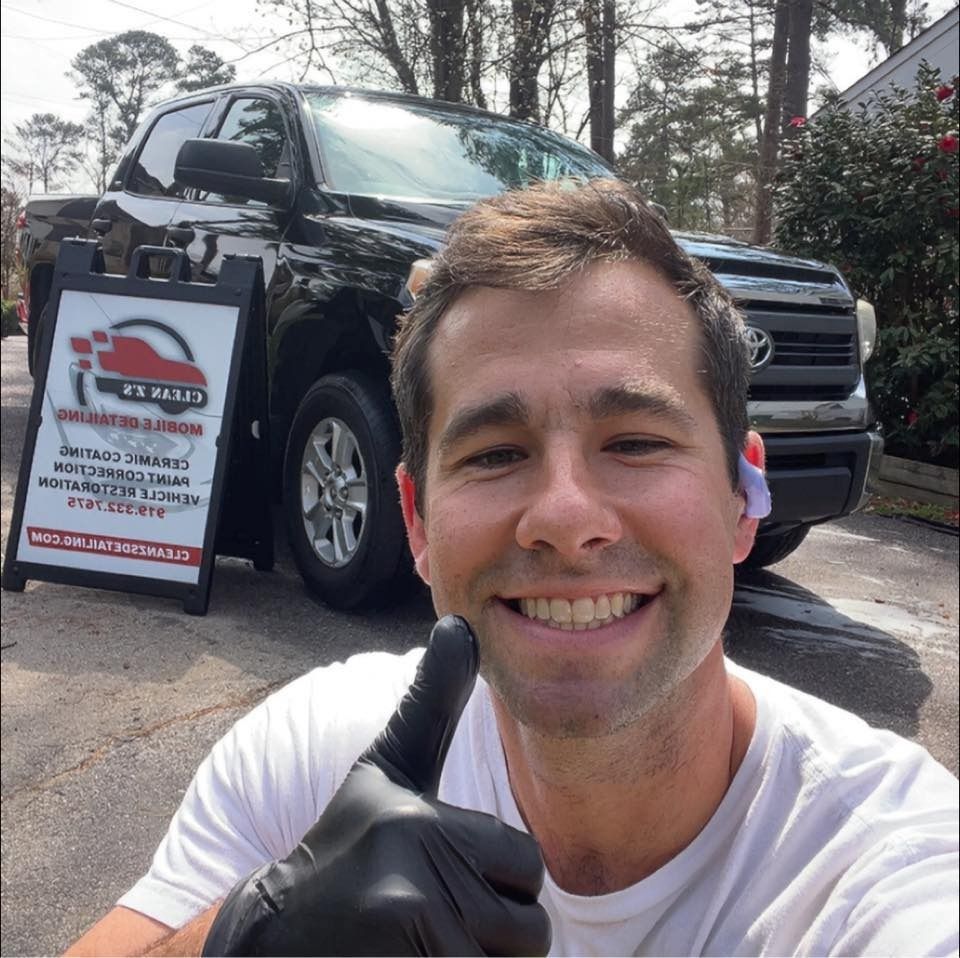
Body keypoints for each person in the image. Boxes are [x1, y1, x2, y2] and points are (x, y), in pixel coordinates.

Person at [65, 180, 958, 957]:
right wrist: (241, 945)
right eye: (494, 454)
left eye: (638, 442)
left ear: (741, 495)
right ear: (415, 519)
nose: (566, 518)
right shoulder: (312, 757)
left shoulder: (893, 865)